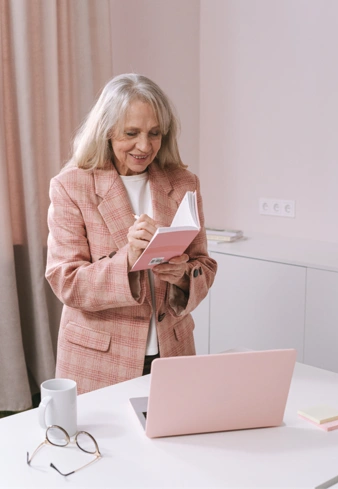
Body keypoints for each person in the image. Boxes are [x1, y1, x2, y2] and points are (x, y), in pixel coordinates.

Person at [45, 73, 217, 394]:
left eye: (154, 133)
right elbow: (65, 280)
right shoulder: (71, 186)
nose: (144, 146)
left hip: (171, 353)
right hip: (99, 360)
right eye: (131, 133)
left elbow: (203, 266)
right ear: (107, 131)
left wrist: (182, 274)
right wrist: (128, 259)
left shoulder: (183, 183)